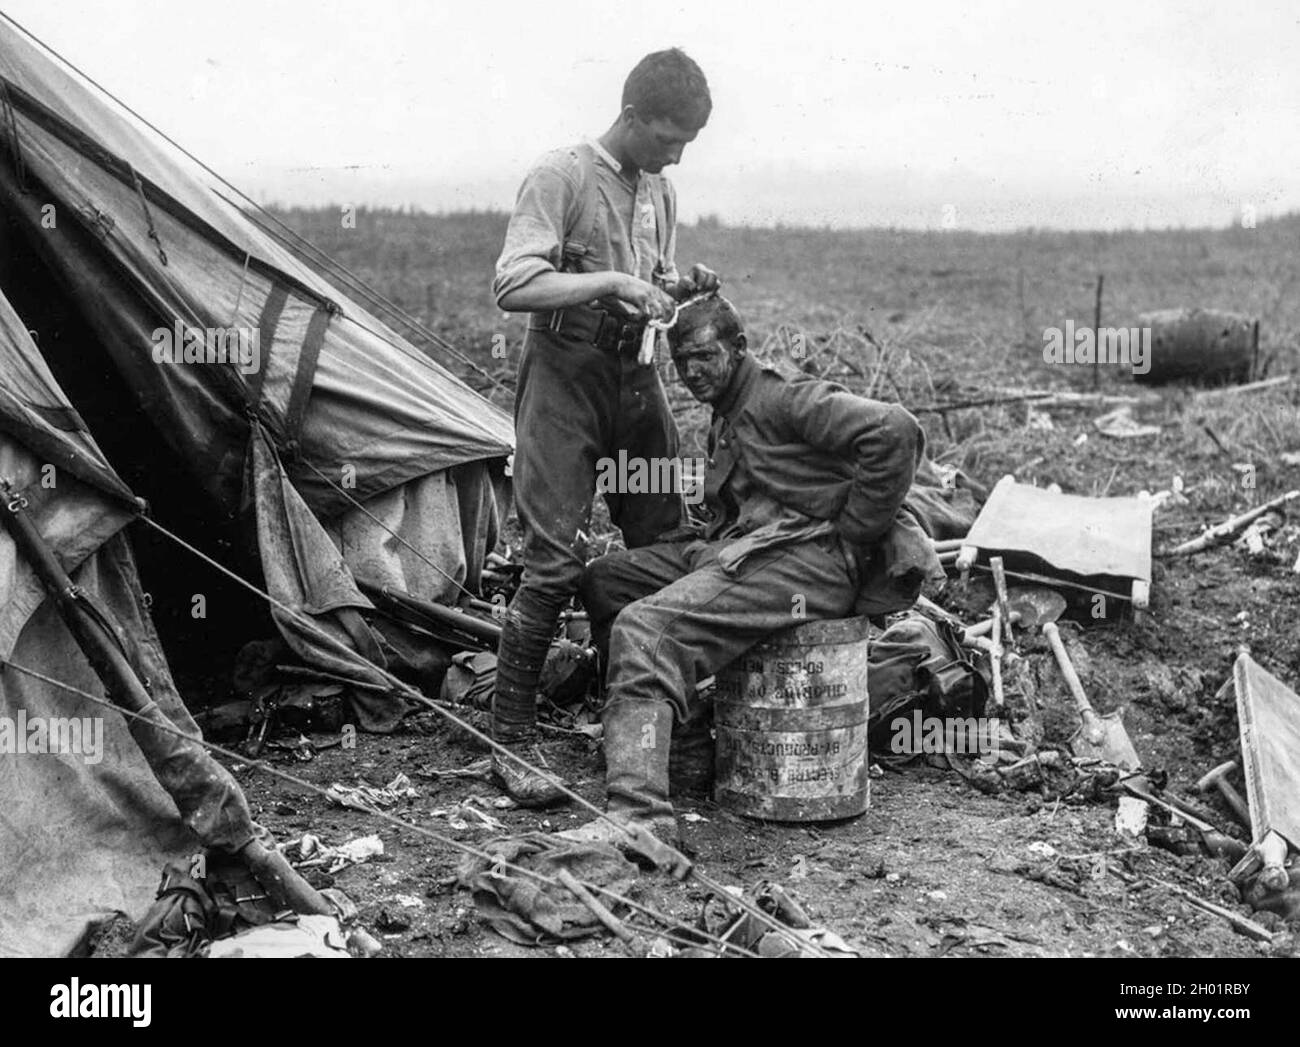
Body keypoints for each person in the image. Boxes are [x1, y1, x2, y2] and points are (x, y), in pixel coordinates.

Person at [562, 294, 932, 847]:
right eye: (681, 361)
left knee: (647, 629)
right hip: (745, 548)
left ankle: (638, 814)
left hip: (808, 560)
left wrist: (856, 530)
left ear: (738, 349)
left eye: (704, 357)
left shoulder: (781, 396)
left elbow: (896, 431)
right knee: (607, 581)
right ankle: (681, 753)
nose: (691, 372)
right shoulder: (728, 412)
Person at [489, 49, 720, 804]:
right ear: (629, 115)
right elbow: (514, 281)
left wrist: (673, 285)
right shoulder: (561, 175)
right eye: (664, 137)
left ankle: (633, 709)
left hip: (635, 377)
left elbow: (650, 281)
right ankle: (513, 738)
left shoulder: (661, 191)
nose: (673, 154)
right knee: (553, 562)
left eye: (685, 142)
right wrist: (612, 283)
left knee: (661, 549)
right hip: (565, 375)